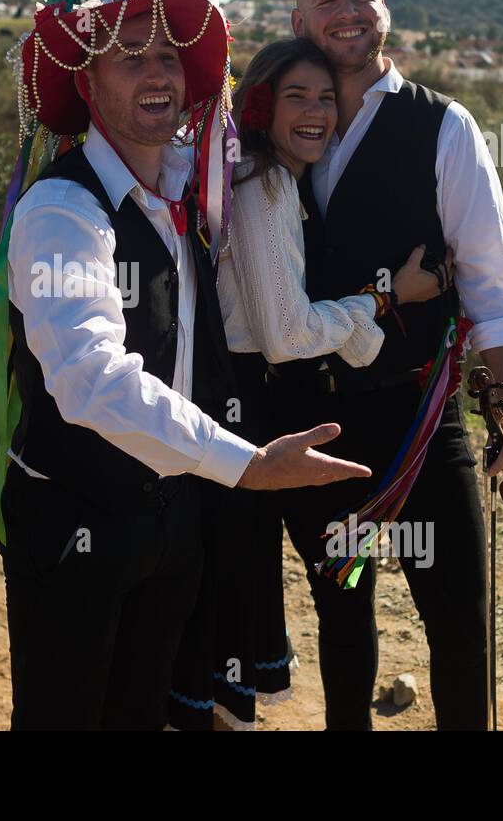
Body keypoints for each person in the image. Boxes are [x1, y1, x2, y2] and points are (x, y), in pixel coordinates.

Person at [0, 0, 373, 731]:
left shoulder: (188, 188)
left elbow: (260, 157)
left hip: (172, 519)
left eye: (168, 55)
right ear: (86, 83)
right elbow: (91, 377)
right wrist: (247, 464)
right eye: (129, 54)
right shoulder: (61, 209)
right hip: (73, 525)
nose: (156, 70)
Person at [274, 0, 503, 730]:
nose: (348, 14)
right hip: (317, 419)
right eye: (328, 1)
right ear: (298, 18)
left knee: (459, 622)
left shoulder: (445, 129)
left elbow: (491, 283)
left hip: (421, 415)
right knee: (343, 617)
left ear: (384, 7)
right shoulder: (278, 132)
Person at [166, 39, 451, 729]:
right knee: (234, 601)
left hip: (245, 408)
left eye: (327, 98)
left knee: (245, 597)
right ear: (260, 102)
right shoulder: (265, 185)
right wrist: (385, 301)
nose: (317, 111)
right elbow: (288, 334)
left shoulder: (278, 179)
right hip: (244, 412)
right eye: (297, 96)